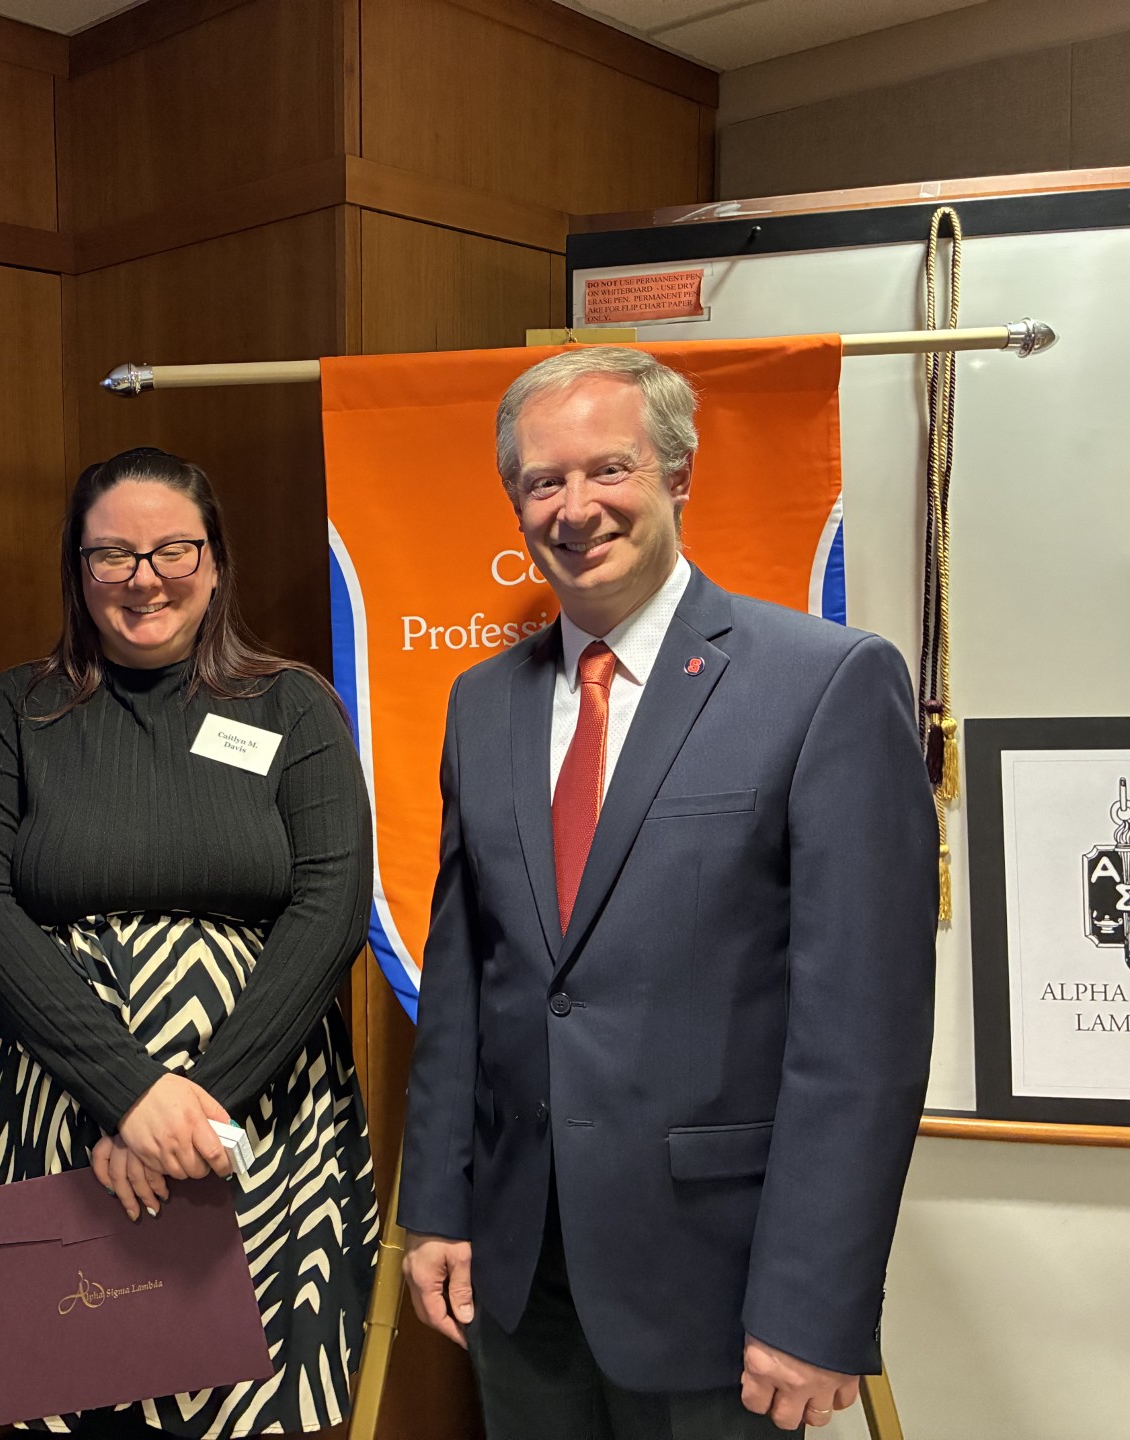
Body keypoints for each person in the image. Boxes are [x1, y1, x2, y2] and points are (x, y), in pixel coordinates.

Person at [399, 348, 937, 1439]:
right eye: (543, 482)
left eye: (609, 470)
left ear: (679, 476)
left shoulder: (824, 682)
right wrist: (439, 1210)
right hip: (518, 1282)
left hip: (725, 1293)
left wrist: (815, 1299)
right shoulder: (480, 705)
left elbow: (861, 1035)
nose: (575, 506)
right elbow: (464, 982)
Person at [0, 446, 378, 1437]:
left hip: (252, 1128)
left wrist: (196, 1110)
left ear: (215, 563)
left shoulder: (292, 704)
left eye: (174, 549)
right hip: (56, 1122)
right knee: (80, 1407)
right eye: (113, 556)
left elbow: (332, 907)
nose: (145, 579)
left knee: (246, 1412)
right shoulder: (15, 711)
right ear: (77, 572)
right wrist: (128, 1092)